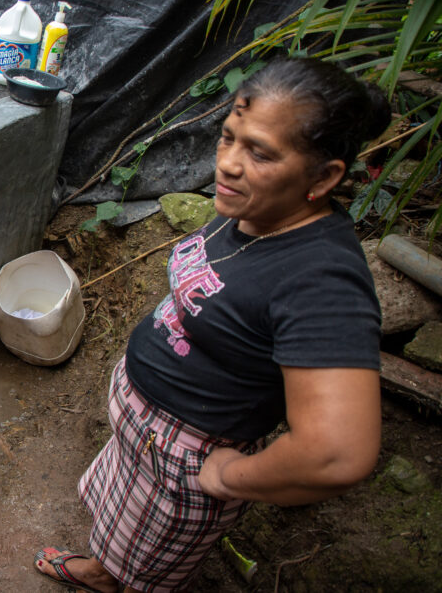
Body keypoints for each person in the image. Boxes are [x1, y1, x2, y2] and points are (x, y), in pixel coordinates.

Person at [35, 57, 392, 593]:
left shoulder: (322, 278)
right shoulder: (255, 209)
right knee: (121, 533)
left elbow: (337, 452)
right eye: (229, 137)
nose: (226, 162)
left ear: (324, 176)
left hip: (184, 461)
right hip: (145, 439)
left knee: (149, 573)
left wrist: (227, 477)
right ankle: (103, 571)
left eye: (260, 152)